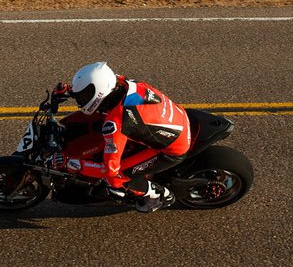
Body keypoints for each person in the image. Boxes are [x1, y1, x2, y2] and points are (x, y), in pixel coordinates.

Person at [53, 61, 191, 213]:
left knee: (116, 179)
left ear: (98, 93)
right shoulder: (120, 82)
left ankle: (160, 195)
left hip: (172, 148)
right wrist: (69, 91)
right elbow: (99, 86)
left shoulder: (116, 122)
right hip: (174, 118)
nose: (81, 100)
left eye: (84, 96)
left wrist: (73, 164)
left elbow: (109, 169)